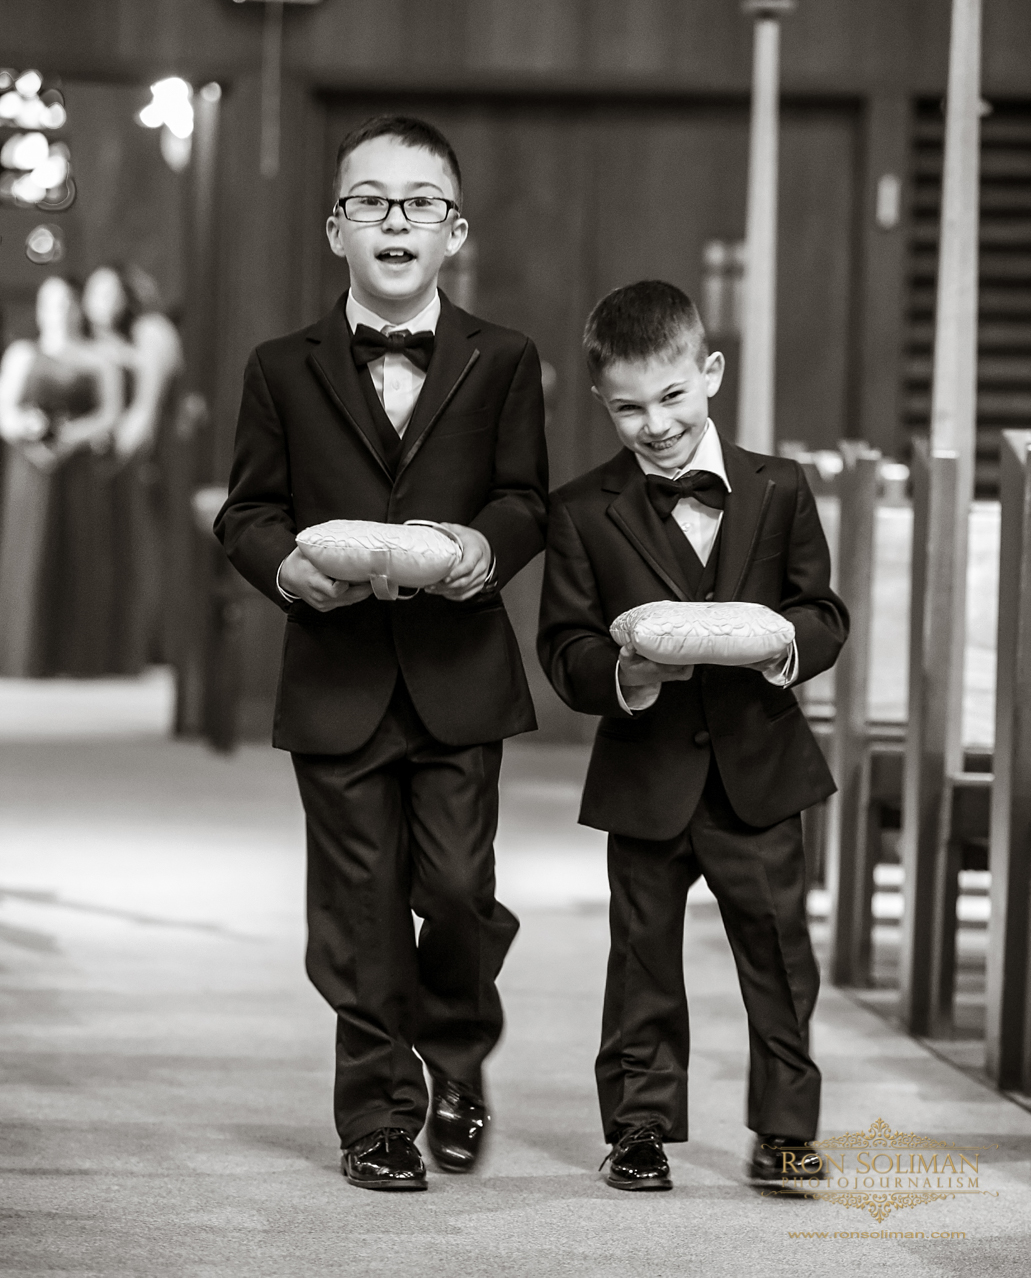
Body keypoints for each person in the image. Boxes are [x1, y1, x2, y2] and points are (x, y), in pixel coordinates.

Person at [215, 116, 548, 1191]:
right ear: (335, 229)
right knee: (357, 911)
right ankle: (375, 1115)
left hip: (458, 674)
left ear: (454, 231)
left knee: (454, 890)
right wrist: (285, 570)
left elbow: (523, 501)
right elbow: (249, 511)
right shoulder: (281, 366)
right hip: (337, 677)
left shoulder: (503, 359)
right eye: (370, 201)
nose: (394, 219)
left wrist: (480, 550)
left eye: (418, 203)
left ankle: (456, 1058)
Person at [537, 281, 848, 1192]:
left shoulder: (778, 486)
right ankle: (638, 1126)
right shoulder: (581, 509)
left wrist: (781, 645)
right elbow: (564, 647)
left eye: (671, 397)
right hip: (646, 770)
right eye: (629, 408)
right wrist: (626, 673)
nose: (655, 424)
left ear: (709, 373)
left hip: (760, 765)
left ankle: (786, 1128)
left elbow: (821, 611)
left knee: (780, 955)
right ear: (603, 403)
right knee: (640, 959)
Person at [0, 276, 122, 676]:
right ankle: (26, 655)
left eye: (67, 302)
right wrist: (30, 430)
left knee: (79, 553)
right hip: (31, 468)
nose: (60, 311)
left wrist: (71, 437)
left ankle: (77, 657)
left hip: (78, 469)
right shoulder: (21, 354)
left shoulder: (98, 359)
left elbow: (109, 413)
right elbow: (5, 412)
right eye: (51, 302)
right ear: (39, 308)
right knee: (29, 554)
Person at [81, 264, 183, 671]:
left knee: (148, 548)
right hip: (124, 454)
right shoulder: (111, 340)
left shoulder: (151, 330)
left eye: (110, 293)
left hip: (149, 456)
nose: (99, 303)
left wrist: (113, 463)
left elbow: (146, 410)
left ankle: (150, 646)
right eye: (93, 293)